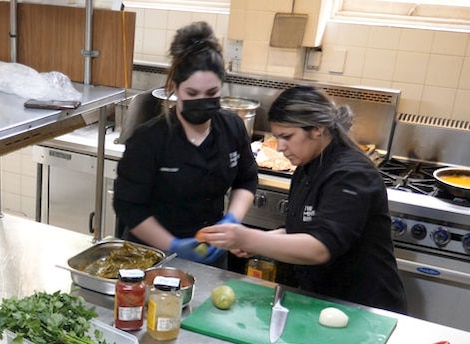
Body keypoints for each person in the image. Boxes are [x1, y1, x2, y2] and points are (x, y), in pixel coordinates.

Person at [198, 86, 407, 313]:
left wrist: (249, 238)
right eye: (278, 138)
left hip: (366, 308)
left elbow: (320, 247)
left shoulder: (352, 175)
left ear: (317, 129)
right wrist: (262, 241)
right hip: (324, 301)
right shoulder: (307, 165)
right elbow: (301, 229)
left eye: (287, 137)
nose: (280, 147)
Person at [113, 21, 257, 266]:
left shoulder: (232, 128)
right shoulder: (149, 139)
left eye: (211, 93)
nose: (202, 100)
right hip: (150, 257)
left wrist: (232, 219)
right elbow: (128, 206)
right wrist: (171, 245)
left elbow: (246, 179)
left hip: (210, 254)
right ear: (175, 88)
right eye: (192, 94)